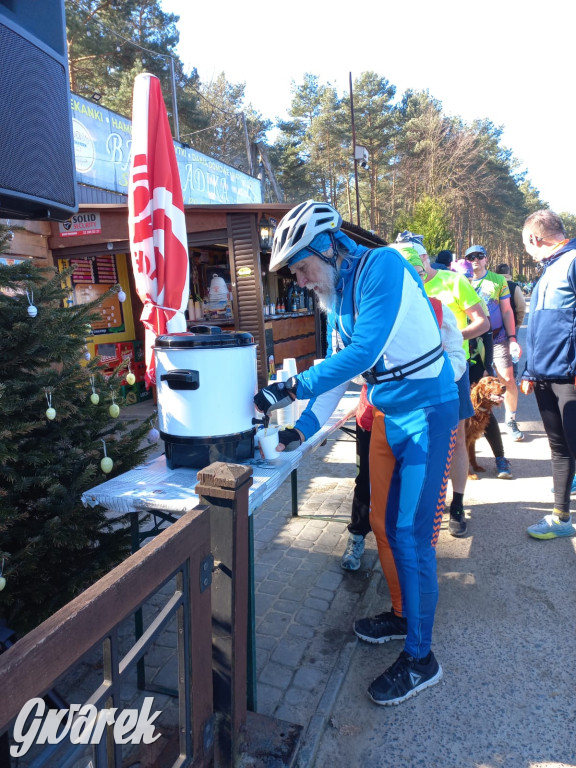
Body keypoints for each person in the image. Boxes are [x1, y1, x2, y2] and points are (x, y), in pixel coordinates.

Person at [254, 200, 459, 705]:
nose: (301, 281)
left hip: (429, 412)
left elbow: (364, 353)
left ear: (328, 246)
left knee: (413, 537)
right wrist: (297, 432)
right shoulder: (335, 296)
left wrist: (290, 387)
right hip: (390, 415)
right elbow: (341, 369)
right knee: (386, 526)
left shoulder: (383, 266)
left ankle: (421, 658)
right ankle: (402, 615)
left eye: (302, 268)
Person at [341, 287, 466, 570]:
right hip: (373, 415)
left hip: (419, 416)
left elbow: (457, 357)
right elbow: (354, 362)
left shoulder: (436, 308)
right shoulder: (368, 306)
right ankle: (357, 536)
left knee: (413, 490)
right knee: (365, 480)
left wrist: (428, 382)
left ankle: (408, 559)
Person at [395, 234, 490, 536]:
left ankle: (457, 504)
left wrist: (450, 338)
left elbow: (483, 323)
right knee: (416, 437)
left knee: (457, 437)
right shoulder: (404, 282)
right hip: (413, 375)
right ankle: (422, 501)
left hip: (453, 371)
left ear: (425, 258)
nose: (416, 270)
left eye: (418, 263)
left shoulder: (453, 282)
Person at [520, 210, 576, 539]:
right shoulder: (547, 270)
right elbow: (540, 329)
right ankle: (561, 518)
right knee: (559, 448)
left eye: (527, 246)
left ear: (535, 239)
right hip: (544, 377)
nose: (528, 252)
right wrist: (530, 370)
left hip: (569, 377)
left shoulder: (571, 261)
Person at [452, 259, 513, 479]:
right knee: (462, 415)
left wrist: (487, 367)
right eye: (463, 277)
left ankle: (500, 458)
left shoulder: (475, 299)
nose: (466, 280)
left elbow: (486, 336)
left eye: (468, 277)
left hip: (476, 364)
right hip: (455, 361)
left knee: (484, 413)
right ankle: (456, 460)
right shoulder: (449, 293)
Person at [467, 245, 523, 442]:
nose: (475, 259)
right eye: (470, 256)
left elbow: (507, 311)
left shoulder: (498, 280)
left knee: (506, 379)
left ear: (486, 259)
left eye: (479, 256)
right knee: (474, 383)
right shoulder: (462, 281)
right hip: (472, 341)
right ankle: (474, 421)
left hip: (497, 338)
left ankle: (511, 420)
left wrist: (512, 338)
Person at [494, 262, 527, 381]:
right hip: (511, 324)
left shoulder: (493, 285)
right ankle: (513, 376)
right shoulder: (514, 286)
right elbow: (521, 306)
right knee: (513, 350)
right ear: (509, 273)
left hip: (495, 325)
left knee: (495, 349)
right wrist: (518, 323)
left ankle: (497, 375)